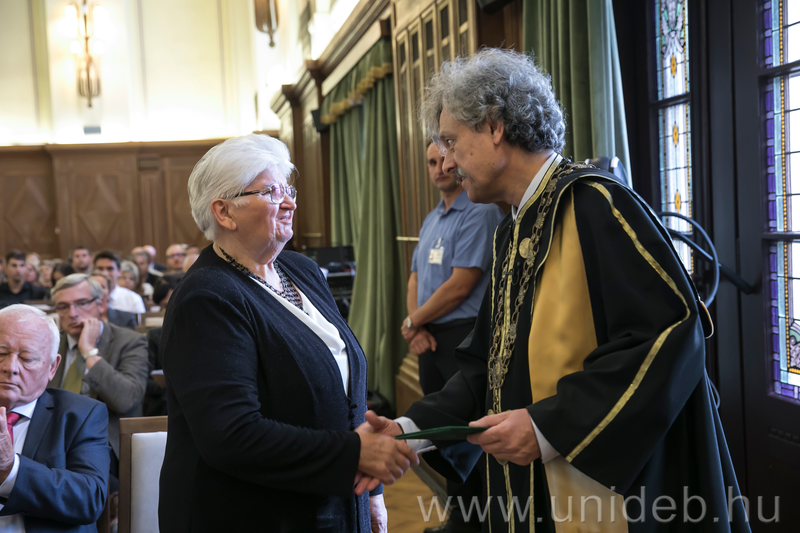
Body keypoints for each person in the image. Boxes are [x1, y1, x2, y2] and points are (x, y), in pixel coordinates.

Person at [361, 49, 750, 532]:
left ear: (494, 126)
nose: (448, 160)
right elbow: (486, 368)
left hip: (615, 497)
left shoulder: (596, 204)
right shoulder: (512, 230)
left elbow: (669, 337)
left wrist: (547, 426)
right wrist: (409, 430)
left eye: (452, 141)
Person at [158, 133, 417, 533]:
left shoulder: (302, 270)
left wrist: (372, 491)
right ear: (224, 212)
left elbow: (345, 389)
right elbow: (231, 436)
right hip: (252, 516)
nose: (290, 203)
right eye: (271, 192)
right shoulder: (207, 297)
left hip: (336, 500)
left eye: (288, 190)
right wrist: (354, 454)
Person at [404, 141, 503, 533]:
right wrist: (415, 326)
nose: (439, 167)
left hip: (465, 337)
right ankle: (458, 521)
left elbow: (461, 286)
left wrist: (413, 322)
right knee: (445, 441)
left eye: (444, 158)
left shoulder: (479, 212)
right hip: (429, 338)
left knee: (469, 439)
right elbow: (415, 277)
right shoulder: (433, 218)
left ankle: (477, 525)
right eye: (431, 161)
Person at [0, 304, 110, 531]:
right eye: (1, 354)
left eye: (27, 358)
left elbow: (89, 500)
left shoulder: (81, 415)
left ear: (52, 367)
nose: (10, 367)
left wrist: (10, 468)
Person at [48, 274, 148, 480]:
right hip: (53, 440)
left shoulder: (130, 342)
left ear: (100, 304)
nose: (72, 313)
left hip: (104, 444)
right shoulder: (50, 345)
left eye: (81, 303)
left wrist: (89, 352)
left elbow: (126, 400)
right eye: (63, 307)